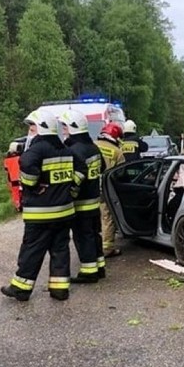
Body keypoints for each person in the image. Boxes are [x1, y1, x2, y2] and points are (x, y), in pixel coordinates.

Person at [1, 109, 86, 302]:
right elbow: (82, 168)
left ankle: (21, 288)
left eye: (33, 127)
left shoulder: (38, 149)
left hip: (41, 214)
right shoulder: (66, 150)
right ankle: (59, 289)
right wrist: (71, 189)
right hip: (64, 212)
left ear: (41, 128)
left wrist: (32, 184)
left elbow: (26, 163)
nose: (31, 131)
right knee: (60, 250)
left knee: (32, 250)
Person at [58, 108, 105, 283]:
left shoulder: (74, 150)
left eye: (65, 127)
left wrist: (69, 192)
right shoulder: (93, 147)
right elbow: (102, 169)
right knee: (94, 235)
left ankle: (89, 272)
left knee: (83, 236)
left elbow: (78, 176)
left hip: (81, 203)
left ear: (73, 128)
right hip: (94, 201)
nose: (63, 130)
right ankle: (99, 268)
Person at [95, 122, 125, 257]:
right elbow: (121, 173)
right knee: (107, 218)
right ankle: (107, 248)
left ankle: (91, 247)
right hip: (106, 189)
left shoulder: (93, 145)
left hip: (89, 188)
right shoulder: (117, 152)